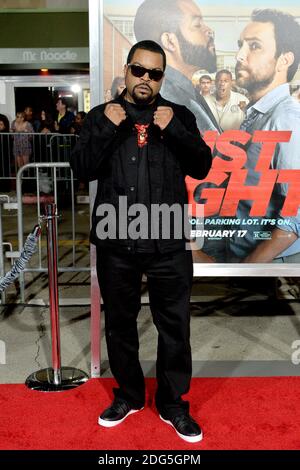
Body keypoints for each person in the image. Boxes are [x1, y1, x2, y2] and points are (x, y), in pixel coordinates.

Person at [70, 40, 212, 443]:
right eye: (139, 70)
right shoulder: (101, 116)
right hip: (117, 242)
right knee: (120, 325)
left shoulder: (178, 116)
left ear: (162, 78)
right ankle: (129, 396)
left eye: (155, 73)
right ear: (128, 70)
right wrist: (109, 128)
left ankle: (172, 404)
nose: (146, 79)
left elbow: (202, 165)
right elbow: (81, 167)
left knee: (175, 327)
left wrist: (175, 131)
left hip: (167, 243)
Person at [227, 9, 300, 263]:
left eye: (254, 46)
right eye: (240, 45)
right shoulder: (257, 114)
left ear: (284, 60)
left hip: (269, 270)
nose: (239, 55)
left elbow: (295, 216)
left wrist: (249, 269)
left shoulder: (286, 118)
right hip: (248, 262)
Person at [134, 0, 221, 134]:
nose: (209, 31)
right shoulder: (171, 101)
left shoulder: (181, 91)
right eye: (197, 25)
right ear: (169, 41)